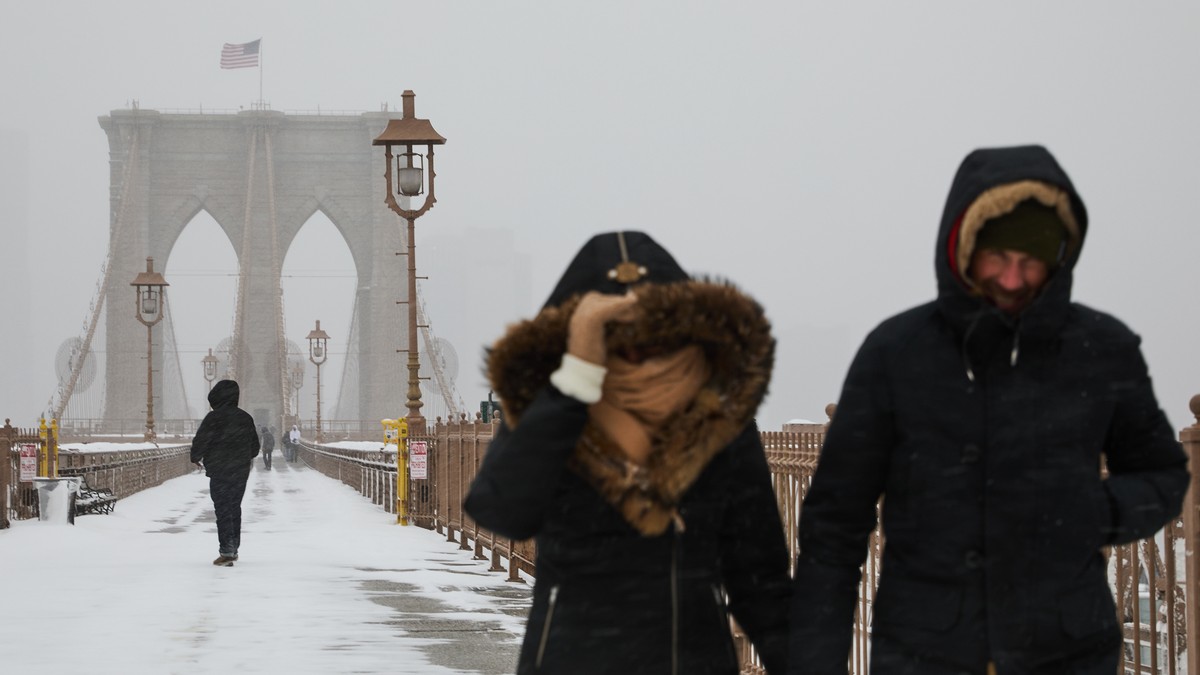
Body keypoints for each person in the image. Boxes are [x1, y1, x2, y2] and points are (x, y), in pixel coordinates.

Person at [787, 145, 1191, 674]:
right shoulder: (895, 354)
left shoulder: (1102, 350)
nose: (1012, 278)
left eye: (1030, 261)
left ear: (1059, 259)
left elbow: (1162, 475)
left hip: (1067, 651)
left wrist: (1093, 511)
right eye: (997, 257)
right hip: (924, 653)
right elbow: (834, 527)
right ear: (962, 249)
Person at [464, 231, 792, 675]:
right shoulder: (552, 411)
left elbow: (760, 577)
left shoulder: (717, 420)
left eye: (655, 335)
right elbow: (501, 510)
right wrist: (575, 382)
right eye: (612, 335)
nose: (636, 354)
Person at [190, 379, 260, 567]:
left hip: (220, 470)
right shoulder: (245, 418)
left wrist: (196, 456)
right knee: (234, 507)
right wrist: (241, 456)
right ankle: (233, 547)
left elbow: (201, 440)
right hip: (240, 471)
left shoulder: (214, 418)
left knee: (222, 509)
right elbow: (255, 448)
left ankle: (227, 551)